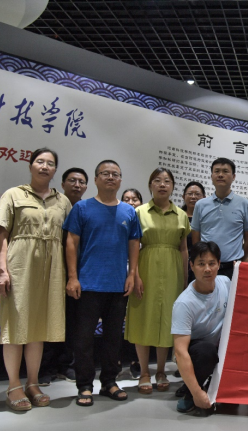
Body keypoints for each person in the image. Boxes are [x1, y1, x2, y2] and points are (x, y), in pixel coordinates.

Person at [0, 148, 72, 411]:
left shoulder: (63, 202)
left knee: (39, 329)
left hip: (52, 270)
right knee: (16, 327)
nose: (44, 166)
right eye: (40, 161)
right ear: (30, 166)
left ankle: (33, 383)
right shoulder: (13, 195)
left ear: (55, 170)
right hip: (20, 266)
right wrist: (2, 270)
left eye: (50, 163)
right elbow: (1, 234)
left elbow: (70, 240)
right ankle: (14, 385)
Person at [64, 160, 142, 407]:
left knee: (113, 339)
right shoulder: (82, 208)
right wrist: (72, 277)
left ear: (120, 180)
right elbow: (71, 242)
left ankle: (109, 381)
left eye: (115, 174)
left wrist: (132, 274)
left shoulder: (129, 212)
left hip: (118, 285)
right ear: (96, 179)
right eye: (105, 174)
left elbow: (134, 244)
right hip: (88, 284)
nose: (110, 177)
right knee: (84, 339)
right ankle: (85, 385)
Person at [125, 168, 190, 395]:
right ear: (150, 185)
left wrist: (184, 279)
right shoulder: (139, 212)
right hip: (146, 267)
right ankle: (144, 372)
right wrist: (135, 274)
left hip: (173, 271)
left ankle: (161, 371)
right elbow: (133, 245)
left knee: (167, 321)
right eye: (157, 180)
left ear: (173, 186)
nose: (162, 184)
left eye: (167, 181)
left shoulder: (181, 215)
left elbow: (184, 248)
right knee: (144, 317)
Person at [38, 167, 89, 385]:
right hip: (52, 271)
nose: (77, 185)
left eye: (81, 182)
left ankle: (66, 365)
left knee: (73, 322)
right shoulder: (53, 206)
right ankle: (44, 367)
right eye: (72, 180)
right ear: (62, 183)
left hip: (79, 274)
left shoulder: (87, 209)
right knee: (49, 318)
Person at [172, 241, 230, 415]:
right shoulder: (184, 303)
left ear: (219, 264)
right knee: (206, 351)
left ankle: (216, 387)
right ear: (191, 266)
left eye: (212, 263)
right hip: (196, 351)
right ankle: (191, 393)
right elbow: (180, 352)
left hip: (220, 346)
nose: (207, 269)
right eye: (201, 264)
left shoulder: (225, 283)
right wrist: (197, 393)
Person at [191, 158, 248, 279]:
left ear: (233, 176)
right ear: (211, 176)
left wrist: (241, 259)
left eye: (225, 171)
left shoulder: (244, 204)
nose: (220, 175)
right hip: (207, 267)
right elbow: (196, 239)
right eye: (217, 171)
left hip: (233, 267)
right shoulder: (200, 205)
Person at [120, 188, 143, 380]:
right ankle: (117, 360)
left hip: (140, 275)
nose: (130, 202)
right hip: (120, 273)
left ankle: (136, 360)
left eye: (134, 199)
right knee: (118, 319)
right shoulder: (119, 219)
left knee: (136, 318)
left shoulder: (146, 221)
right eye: (126, 199)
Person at [181, 181, 206, 284]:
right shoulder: (178, 217)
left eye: (197, 194)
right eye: (190, 194)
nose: (193, 197)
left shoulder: (207, 219)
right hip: (180, 262)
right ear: (183, 196)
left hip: (200, 262)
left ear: (204, 197)